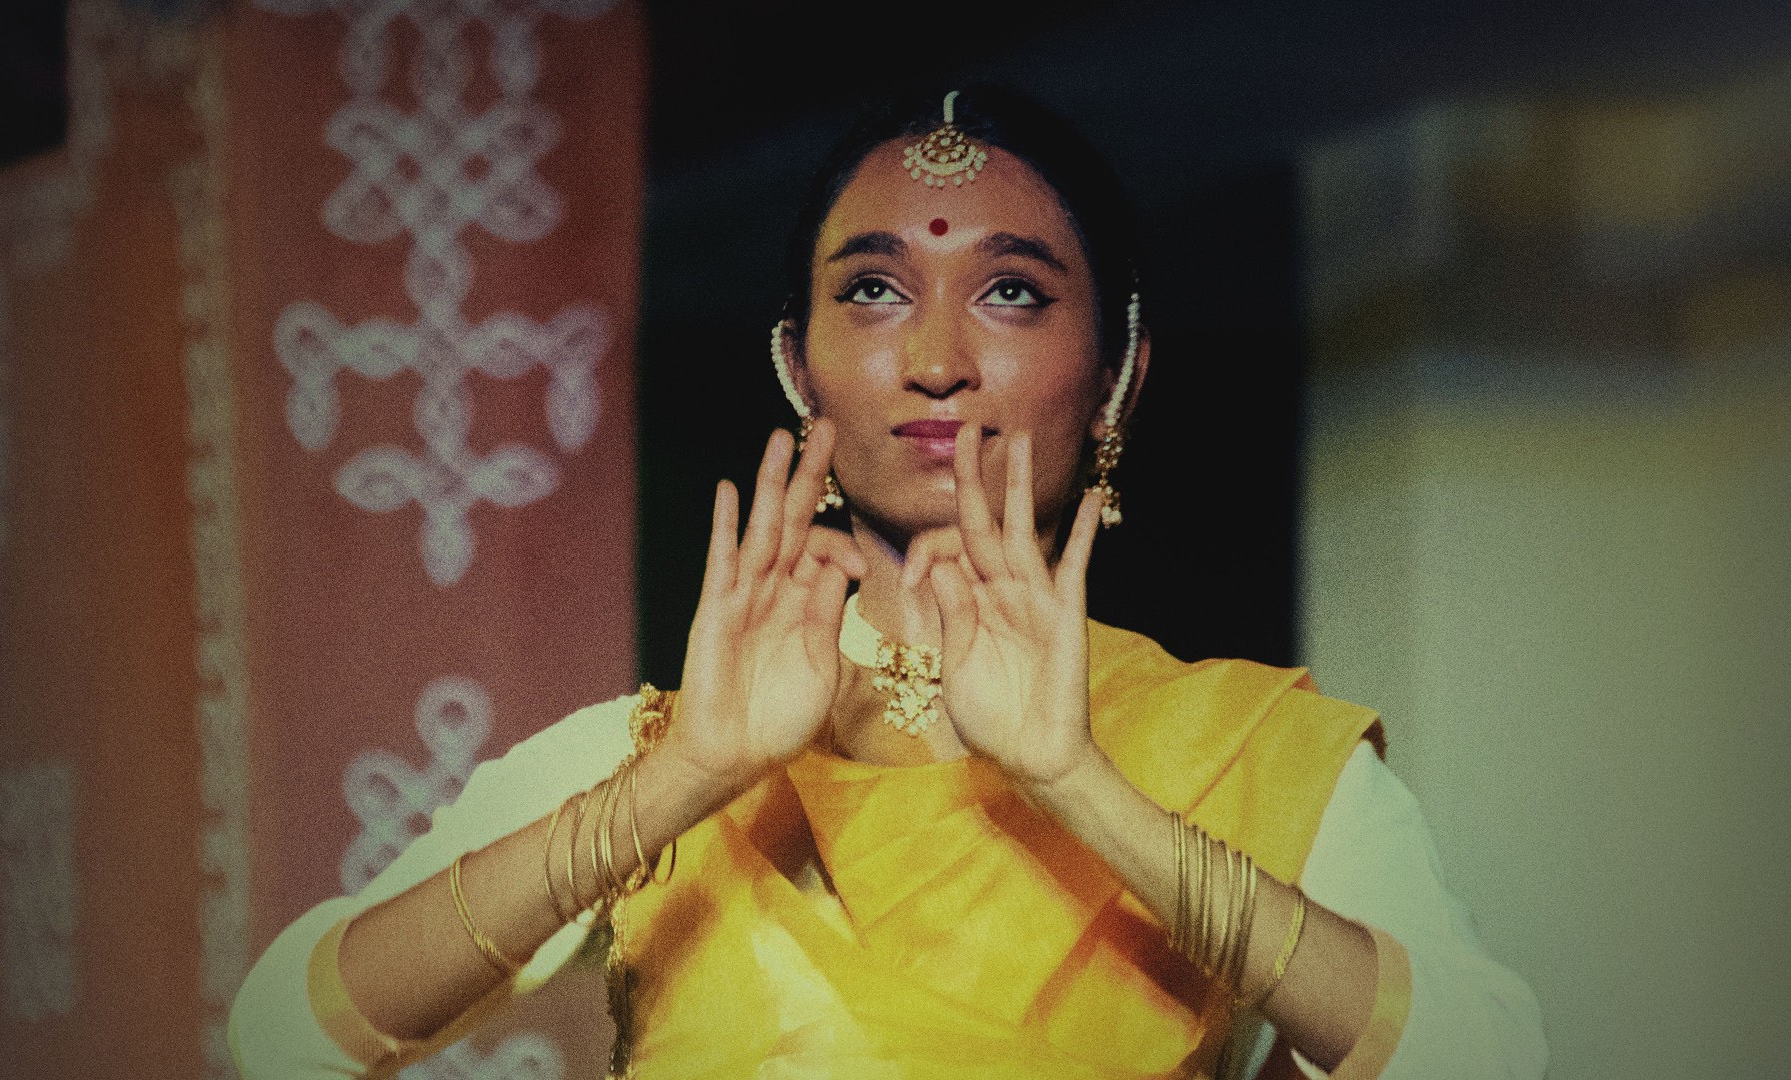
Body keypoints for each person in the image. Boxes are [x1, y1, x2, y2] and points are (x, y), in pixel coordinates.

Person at [229, 88, 1548, 1080]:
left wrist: (1077, 784)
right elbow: (280, 1037)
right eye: (874, 289)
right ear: (801, 365)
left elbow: (1488, 1061)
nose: (934, 356)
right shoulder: (665, 753)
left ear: (1120, 374)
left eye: (1013, 293)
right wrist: (686, 781)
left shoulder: (1247, 749)